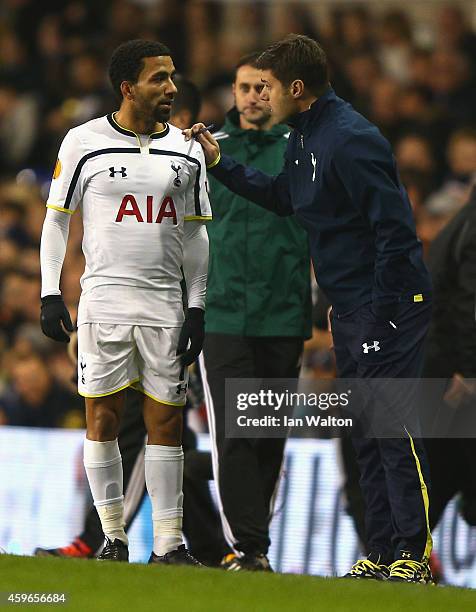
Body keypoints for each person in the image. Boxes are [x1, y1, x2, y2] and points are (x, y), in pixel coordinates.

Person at [186, 34, 434, 583]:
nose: (261, 98)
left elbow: (395, 229)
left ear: (297, 89)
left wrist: (385, 308)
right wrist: (220, 162)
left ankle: (412, 557)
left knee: (393, 430)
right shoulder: (304, 138)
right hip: (352, 308)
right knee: (365, 433)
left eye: (268, 87)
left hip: (385, 307)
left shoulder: (351, 139)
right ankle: (384, 551)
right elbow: (283, 199)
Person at [35, 79, 227, 566]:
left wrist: (197, 306)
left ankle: (169, 545)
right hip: (103, 304)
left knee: (166, 423)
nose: (170, 86)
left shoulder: (188, 152)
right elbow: (56, 218)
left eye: (173, 77)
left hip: (165, 305)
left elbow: (198, 236)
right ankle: (111, 538)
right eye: (159, 77)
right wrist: (51, 292)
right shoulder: (83, 141)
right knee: (103, 420)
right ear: (128, 86)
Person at [199, 53, 312, 571]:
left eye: (262, 87)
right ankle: (247, 547)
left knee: (268, 433)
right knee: (235, 434)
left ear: (281, 92)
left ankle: (254, 545)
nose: (252, 96)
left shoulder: (305, 151)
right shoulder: (203, 153)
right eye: (244, 87)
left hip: (283, 313)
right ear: (235, 91)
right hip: (221, 313)